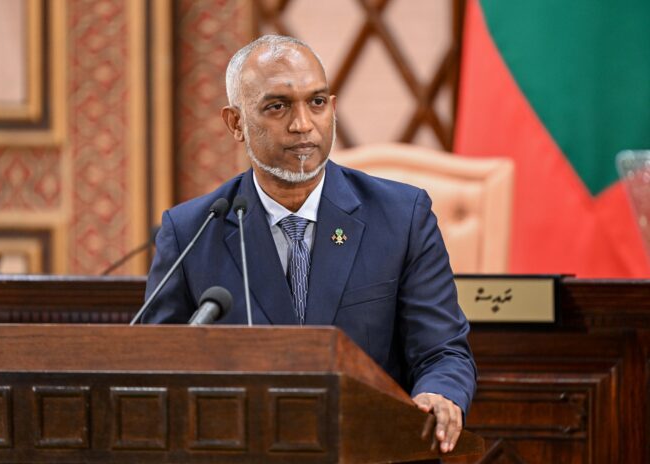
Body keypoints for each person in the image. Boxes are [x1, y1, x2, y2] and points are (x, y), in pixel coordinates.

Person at [143, 35, 476, 454]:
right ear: (236, 123)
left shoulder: (402, 217)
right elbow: (153, 368)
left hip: (366, 450)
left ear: (332, 107)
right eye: (277, 106)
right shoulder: (191, 231)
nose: (302, 124)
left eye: (316, 102)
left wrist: (439, 394)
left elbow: (442, 352)